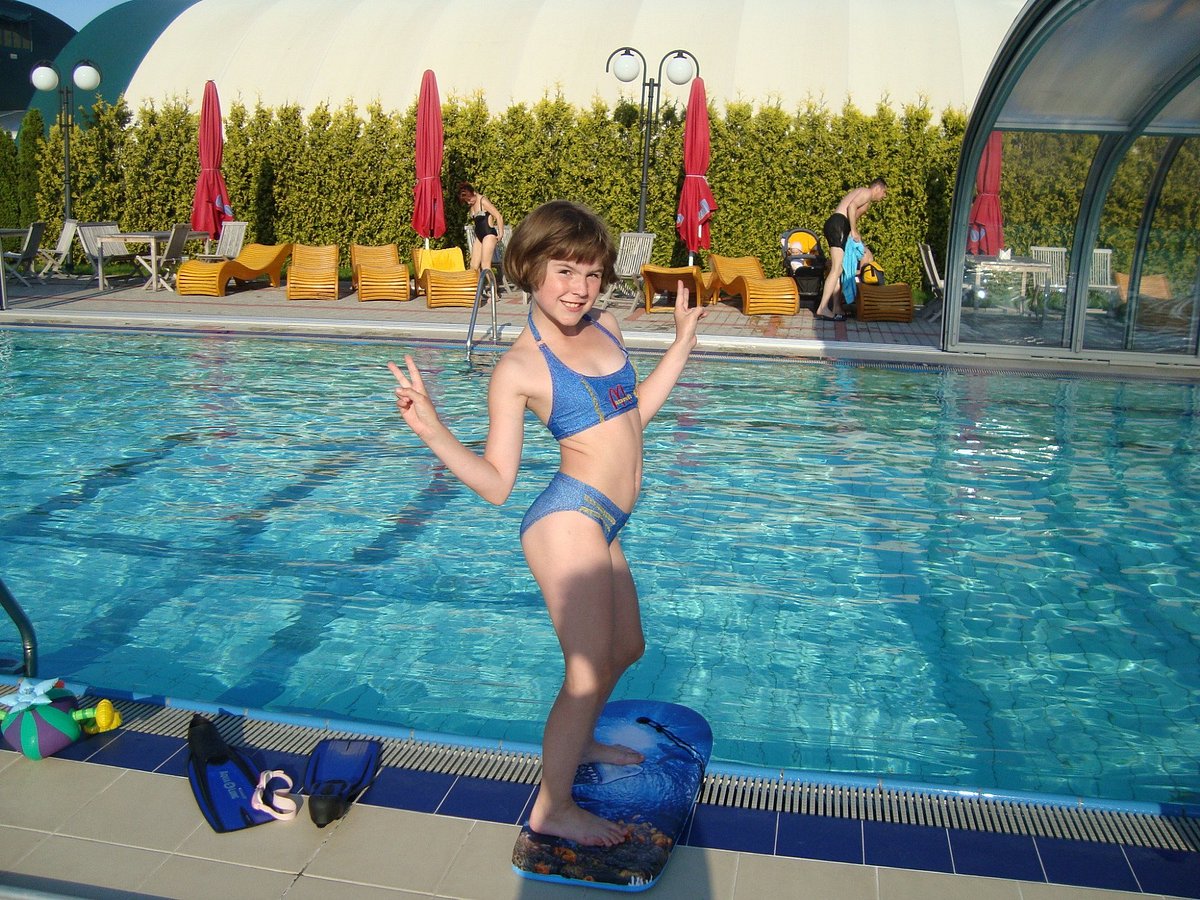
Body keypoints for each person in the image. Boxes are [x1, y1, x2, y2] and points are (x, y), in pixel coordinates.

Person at [388, 200, 706, 847]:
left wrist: (680, 346)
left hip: (606, 521)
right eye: (564, 271)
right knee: (586, 672)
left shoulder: (607, 326)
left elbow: (631, 416)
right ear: (530, 269)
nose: (579, 288)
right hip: (568, 519)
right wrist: (433, 430)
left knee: (627, 648)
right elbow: (497, 484)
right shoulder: (520, 368)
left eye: (591, 273)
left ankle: (580, 741)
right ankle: (552, 807)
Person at [815, 178, 888, 320]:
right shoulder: (866, 192)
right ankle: (822, 308)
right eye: (884, 192)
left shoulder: (864, 197)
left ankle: (836, 307)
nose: (884, 196)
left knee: (839, 269)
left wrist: (851, 233)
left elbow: (852, 212)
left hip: (839, 225)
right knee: (836, 269)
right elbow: (851, 207)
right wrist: (854, 231)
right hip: (838, 224)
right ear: (878, 188)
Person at [457, 182, 505, 271]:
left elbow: (498, 216)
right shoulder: (471, 205)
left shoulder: (482, 201)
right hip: (480, 236)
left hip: (489, 234)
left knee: (485, 265)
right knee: (473, 266)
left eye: (469, 199)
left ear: (473, 193)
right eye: (466, 201)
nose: (469, 202)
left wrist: (501, 233)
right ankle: (478, 280)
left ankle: (490, 281)